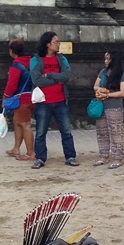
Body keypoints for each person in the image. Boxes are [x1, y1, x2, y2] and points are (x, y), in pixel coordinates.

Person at [30, 31, 79, 169]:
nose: (58, 44)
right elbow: (36, 80)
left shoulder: (62, 59)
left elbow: (67, 76)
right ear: (47, 44)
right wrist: (56, 80)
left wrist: (50, 75)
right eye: (55, 42)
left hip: (60, 100)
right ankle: (40, 158)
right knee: (40, 132)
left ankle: (70, 156)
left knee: (66, 131)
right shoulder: (36, 60)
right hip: (43, 102)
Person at [92, 50, 124, 169]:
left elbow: (123, 92)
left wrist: (107, 94)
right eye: (105, 59)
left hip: (115, 107)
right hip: (102, 106)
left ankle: (118, 157)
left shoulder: (122, 75)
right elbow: (95, 85)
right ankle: (103, 155)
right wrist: (100, 90)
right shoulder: (102, 72)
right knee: (102, 131)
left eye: (108, 59)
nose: (106, 61)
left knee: (116, 132)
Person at [3, 39, 34, 161]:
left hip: (22, 98)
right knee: (18, 122)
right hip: (33, 97)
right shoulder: (32, 62)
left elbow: (12, 85)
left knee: (25, 124)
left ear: (11, 51)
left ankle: (30, 152)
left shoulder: (16, 65)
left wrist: (5, 96)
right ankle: (16, 148)